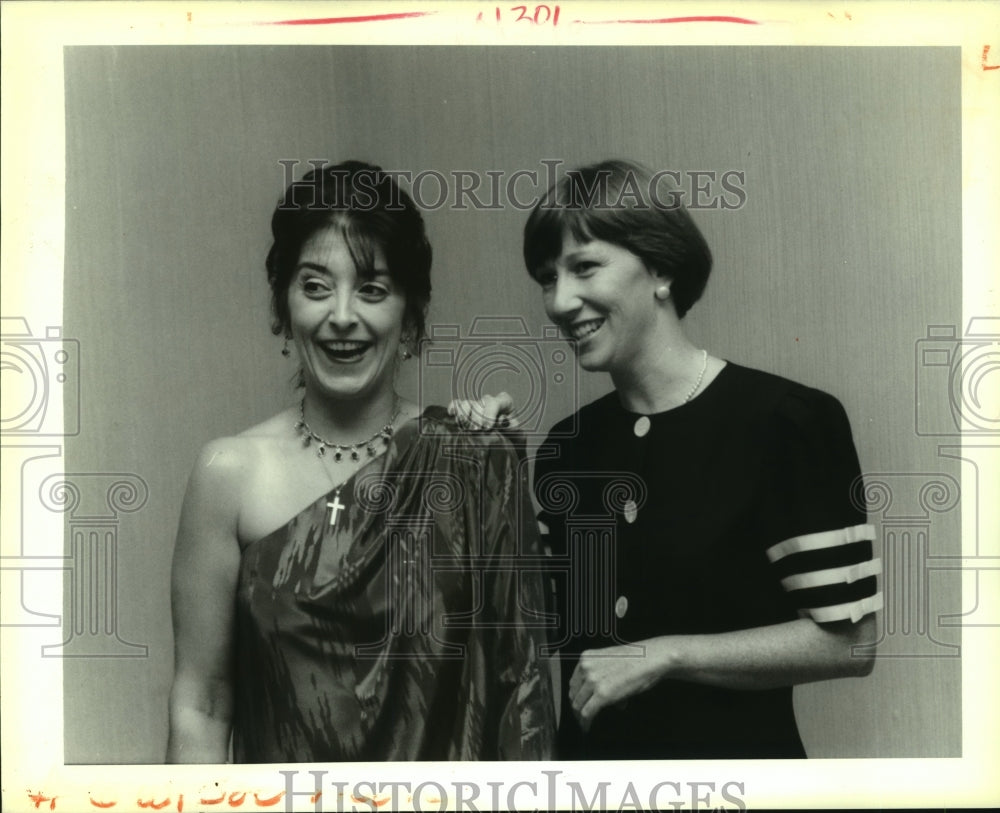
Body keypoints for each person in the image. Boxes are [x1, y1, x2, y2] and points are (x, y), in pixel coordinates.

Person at [166, 160, 554, 763]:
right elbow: (203, 702)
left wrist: (485, 459)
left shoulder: (467, 461)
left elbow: (520, 694)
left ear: (411, 316)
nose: (341, 315)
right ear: (282, 308)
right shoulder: (228, 475)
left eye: (371, 289)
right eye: (316, 286)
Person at [517, 159, 881, 759]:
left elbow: (850, 643)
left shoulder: (785, 422)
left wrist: (665, 654)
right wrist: (478, 462)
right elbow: (539, 628)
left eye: (584, 267)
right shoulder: (565, 448)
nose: (559, 301)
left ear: (660, 267)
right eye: (546, 277)